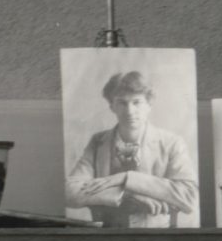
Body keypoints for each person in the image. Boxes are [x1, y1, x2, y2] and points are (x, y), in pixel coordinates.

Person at [65, 69, 200, 230]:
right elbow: (70, 191)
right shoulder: (98, 142)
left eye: (137, 102)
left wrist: (127, 177)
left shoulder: (171, 142)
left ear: (149, 105)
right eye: (122, 103)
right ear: (112, 106)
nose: (129, 111)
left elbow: (189, 196)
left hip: (157, 235)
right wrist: (127, 194)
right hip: (106, 235)